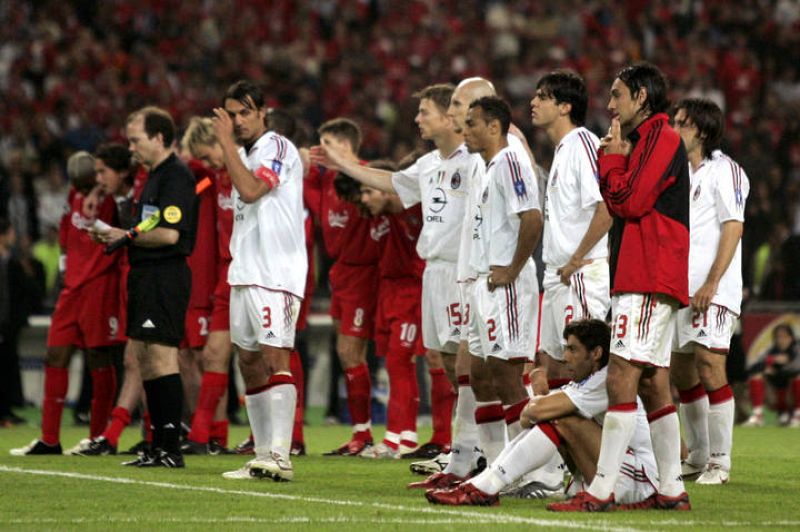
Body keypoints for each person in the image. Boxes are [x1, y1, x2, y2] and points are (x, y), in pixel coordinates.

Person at [309, 84, 479, 459]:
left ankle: (473, 445)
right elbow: (390, 182)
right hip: (433, 274)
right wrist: (344, 165)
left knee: (470, 363)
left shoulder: (476, 161)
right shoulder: (429, 164)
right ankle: (462, 448)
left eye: (424, 112)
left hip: (463, 273)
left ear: (449, 116)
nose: (417, 119)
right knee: (448, 362)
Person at [550, 62, 691, 512]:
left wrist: (611, 161)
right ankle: (670, 491)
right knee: (652, 384)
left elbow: (628, 201)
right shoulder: (645, 141)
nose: (609, 105)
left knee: (620, 376)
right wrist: (616, 162)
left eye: (617, 95)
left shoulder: (661, 138)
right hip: (642, 270)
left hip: (648, 272)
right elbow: (622, 197)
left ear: (641, 97)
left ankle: (600, 491)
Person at [427, 319, 657, 509]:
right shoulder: (585, 381)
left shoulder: (605, 380)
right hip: (619, 473)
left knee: (562, 419)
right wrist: (540, 403)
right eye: (566, 348)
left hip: (637, 481)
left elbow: (533, 412)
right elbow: (529, 417)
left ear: (596, 353)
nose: (566, 356)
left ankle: (486, 487)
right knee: (559, 417)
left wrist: (539, 401)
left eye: (573, 349)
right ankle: (485, 484)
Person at [212, 80, 306, 481]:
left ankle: (281, 457)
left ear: (263, 112)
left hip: (276, 272)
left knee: (273, 357)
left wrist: (225, 145)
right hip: (246, 270)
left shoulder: (277, 148)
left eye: (244, 112)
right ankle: (262, 455)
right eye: (231, 114)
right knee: (248, 361)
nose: (237, 120)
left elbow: (251, 191)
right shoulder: (245, 153)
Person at [95, 106, 198, 468]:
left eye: (136, 140)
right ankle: (158, 444)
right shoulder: (153, 176)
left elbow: (170, 234)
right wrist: (122, 236)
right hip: (145, 274)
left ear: (159, 138)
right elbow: (149, 227)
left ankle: (170, 446)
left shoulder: (175, 178)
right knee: (148, 361)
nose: (131, 148)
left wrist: (124, 236)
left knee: (161, 358)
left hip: (164, 275)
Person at [11, 151, 122, 456]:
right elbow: (65, 232)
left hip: (100, 286)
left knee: (98, 360)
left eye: (88, 184)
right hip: (72, 289)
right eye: (79, 185)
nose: (82, 190)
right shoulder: (74, 195)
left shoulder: (112, 198)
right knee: (55, 354)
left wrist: (99, 192)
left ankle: (98, 437)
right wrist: (63, 266)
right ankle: (50, 438)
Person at [669, 98, 750, 485]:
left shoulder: (726, 171)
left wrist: (712, 282)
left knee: (709, 364)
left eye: (681, 123)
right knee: (683, 372)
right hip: (680, 290)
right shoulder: (681, 173)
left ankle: (720, 461)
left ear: (700, 129)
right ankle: (698, 455)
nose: (674, 129)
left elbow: (733, 227)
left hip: (712, 290)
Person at [530, 71, 611, 394]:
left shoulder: (584, 145)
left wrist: (577, 258)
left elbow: (607, 207)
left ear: (565, 107)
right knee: (552, 364)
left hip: (579, 273)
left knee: (584, 363)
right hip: (558, 273)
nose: (533, 102)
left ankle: (622, 439)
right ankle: (566, 443)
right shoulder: (563, 149)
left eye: (542, 97)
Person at [305, 118, 383, 456]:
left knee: (352, 352)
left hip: (365, 274)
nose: (321, 152)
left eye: (328, 145)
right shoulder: (328, 181)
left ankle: (365, 432)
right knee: (343, 352)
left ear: (347, 146)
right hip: (339, 273)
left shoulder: (367, 176)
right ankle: (359, 431)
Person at [353, 161, 426, 458]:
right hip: (389, 293)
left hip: (411, 291)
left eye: (369, 191)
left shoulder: (416, 212)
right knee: (396, 363)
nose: (364, 198)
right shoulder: (377, 216)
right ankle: (406, 436)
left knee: (399, 361)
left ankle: (396, 438)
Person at [81, 142, 149, 456]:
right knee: (141, 359)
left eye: (102, 171)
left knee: (141, 359)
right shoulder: (120, 198)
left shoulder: (144, 191)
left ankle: (116, 434)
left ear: (122, 172)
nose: (98, 178)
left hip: (152, 277)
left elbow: (149, 228)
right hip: (133, 277)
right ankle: (152, 432)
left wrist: (118, 233)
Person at [178, 117, 235, 455]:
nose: (208, 162)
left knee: (252, 360)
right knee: (213, 355)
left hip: (248, 274)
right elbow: (187, 170)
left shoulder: (245, 174)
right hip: (224, 277)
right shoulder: (211, 180)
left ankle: (280, 439)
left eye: (208, 154)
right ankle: (207, 435)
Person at [746, 323, 800, 427]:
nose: (781, 340)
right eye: (778, 337)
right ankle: (758, 415)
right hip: (774, 397)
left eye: (784, 336)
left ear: (791, 337)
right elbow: (752, 369)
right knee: (756, 377)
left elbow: (796, 368)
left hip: (792, 396)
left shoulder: (797, 349)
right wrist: (770, 362)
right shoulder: (771, 351)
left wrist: (783, 366)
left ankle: (797, 415)